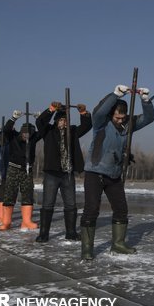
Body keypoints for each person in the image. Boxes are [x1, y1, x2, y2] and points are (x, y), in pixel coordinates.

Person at [80, 84, 154, 260]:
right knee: (91, 210)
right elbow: (98, 112)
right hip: (95, 172)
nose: (120, 121)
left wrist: (145, 100)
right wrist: (115, 95)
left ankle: (118, 244)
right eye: (117, 117)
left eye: (122, 118)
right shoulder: (101, 123)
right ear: (111, 114)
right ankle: (87, 248)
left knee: (121, 209)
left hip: (114, 174)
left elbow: (149, 118)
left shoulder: (128, 126)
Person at [35, 101, 92, 242]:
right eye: (61, 120)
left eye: (65, 120)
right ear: (56, 121)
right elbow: (39, 121)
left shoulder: (72, 131)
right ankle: (44, 233)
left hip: (67, 174)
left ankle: (71, 233)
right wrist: (51, 109)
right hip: (51, 174)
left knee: (71, 204)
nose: (63, 123)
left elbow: (87, 126)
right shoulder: (48, 131)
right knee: (48, 204)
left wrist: (83, 113)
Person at [1, 110, 42, 231]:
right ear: (21, 132)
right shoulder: (13, 136)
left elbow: (44, 131)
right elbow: (6, 130)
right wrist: (13, 118)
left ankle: (26, 221)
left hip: (27, 170)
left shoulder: (33, 139)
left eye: (29, 133)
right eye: (25, 133)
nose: (27, 135)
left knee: (28, 194)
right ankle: (6, 221)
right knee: (10, 194)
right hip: (13, 169)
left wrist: (40, 118)